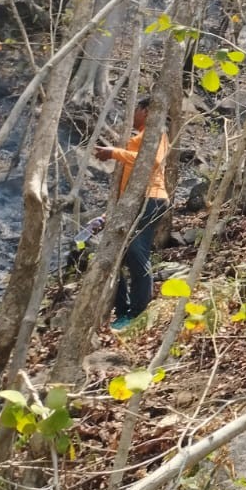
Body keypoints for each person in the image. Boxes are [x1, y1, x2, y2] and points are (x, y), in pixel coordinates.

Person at [93, 97, 171, 330]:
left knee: (137, 253)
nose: (133, 114)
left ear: (146, 111)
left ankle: (138, 313)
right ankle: (123, 310)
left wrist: (114, 153)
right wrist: (111, 214)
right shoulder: (139, 136)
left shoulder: (157, 133)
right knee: (117, 256)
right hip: (132, 201)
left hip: (151, 197)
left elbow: (153, 161)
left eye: (136, 109)